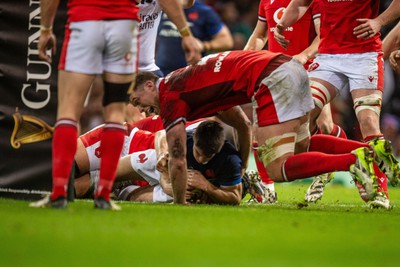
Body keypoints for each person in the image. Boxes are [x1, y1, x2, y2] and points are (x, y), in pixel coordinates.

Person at [132, 50, 396, 209]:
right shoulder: (189, 84)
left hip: (270, 79)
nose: (142, 110)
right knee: (300, 148)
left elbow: (178, 159)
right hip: (290, 68)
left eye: (137, 102)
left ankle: (353, 161)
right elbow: (242, 125)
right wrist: (244, 169)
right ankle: (370, 151)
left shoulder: (170, 97)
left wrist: (179, 203)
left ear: (148, 86)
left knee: (275, 168)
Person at [274, 0, 400, 205]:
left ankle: (379, 191)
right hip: (327, 57)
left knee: (367, 121)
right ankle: (334, 164)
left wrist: (379, 22)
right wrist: (281, 24)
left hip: (364, 55)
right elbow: (299, 4)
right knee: (302, 115)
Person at [29, 0, 142, 210]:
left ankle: (59, 193)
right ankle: (104, 195)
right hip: (124, 25)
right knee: (116, 113)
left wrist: (45, 29)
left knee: (68, 112)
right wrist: (185, 32)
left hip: (85, 19)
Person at [244, 0, 347, 204]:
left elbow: (323, 35)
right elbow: (260, 35)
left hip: (310, 70)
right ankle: (267, 191)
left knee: (324, 125)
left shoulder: (312, 1)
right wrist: (244, 58)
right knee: (259, 130)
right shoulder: (267, 1)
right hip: (276, 75)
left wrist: (304, 55)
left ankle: (333, 167)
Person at [74, 119, 247, 205]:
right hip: (130, 148)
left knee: (79, 189)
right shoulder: (186, 132)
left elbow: (233, 196)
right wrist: (164, 173)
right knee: (66, 171)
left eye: (207, 157)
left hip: (147, 180)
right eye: (198, 154)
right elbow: (160, 134)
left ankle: (120, 189)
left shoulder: (227, 159)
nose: (201, 160)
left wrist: (206, 187)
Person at [156, 0, 234, 75]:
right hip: (161, 72)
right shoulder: (161, 6)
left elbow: (227, 41)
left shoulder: (204, 11)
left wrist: (205, 45)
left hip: (190, 74)